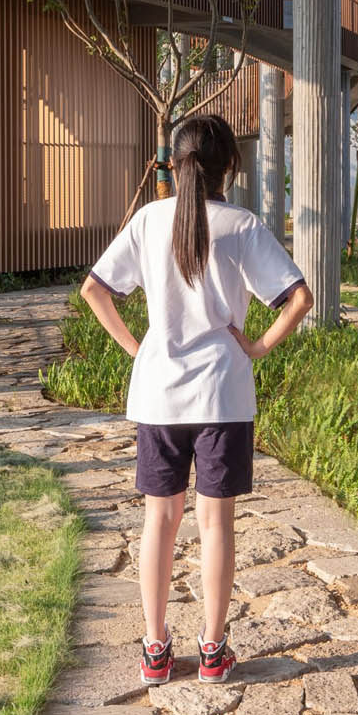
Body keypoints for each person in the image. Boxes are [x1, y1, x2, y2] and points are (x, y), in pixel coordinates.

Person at [80, 110, 312, 683]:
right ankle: (212, 650)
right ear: (228, 165)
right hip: (222, 395)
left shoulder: (149, 221)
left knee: (158, 520)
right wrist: (255, 347)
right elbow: (298, 298)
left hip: (159, 393)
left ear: (175, 164)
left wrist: (140, 350)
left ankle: (155, 651)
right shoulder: (241, 224)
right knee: (216, 523)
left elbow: (94, 289)